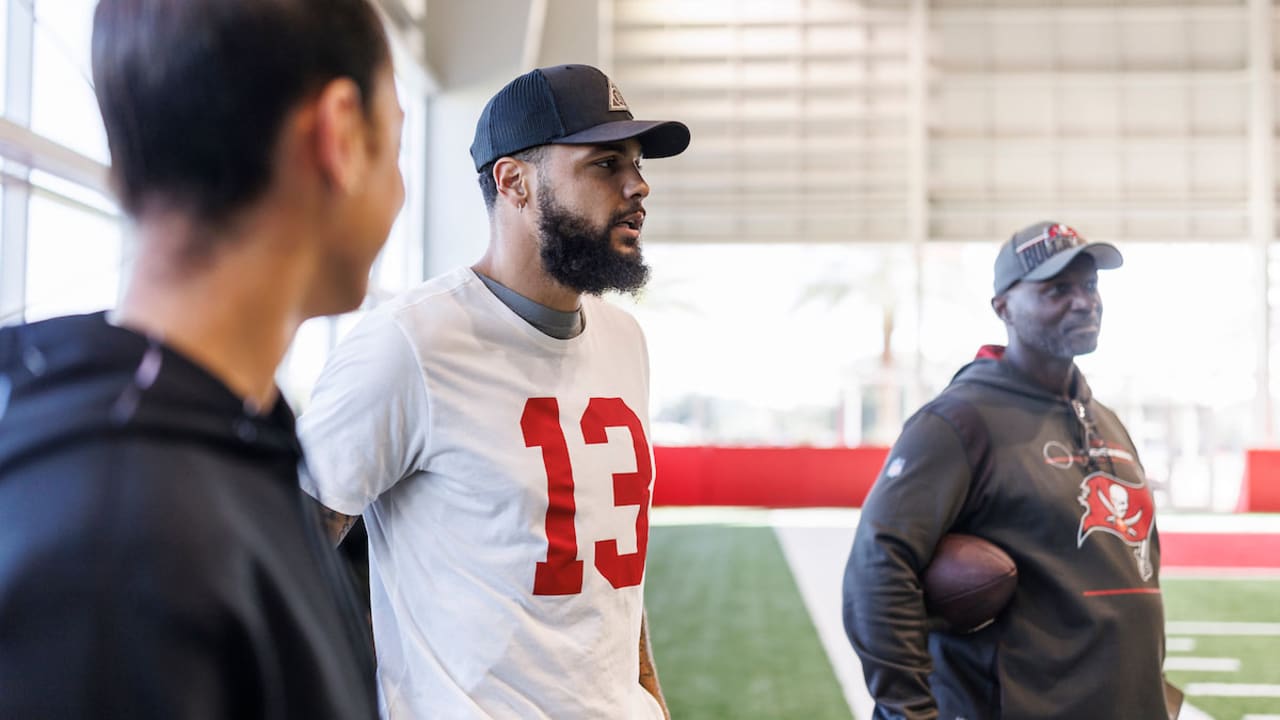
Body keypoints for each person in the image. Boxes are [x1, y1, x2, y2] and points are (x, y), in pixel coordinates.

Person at [0, 1, 404, 716]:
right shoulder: (124, 546)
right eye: (397, 141)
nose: (401, 191)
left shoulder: (216, 442)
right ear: (339, 133)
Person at [298, 64, 689, 719]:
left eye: (638, 162)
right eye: (604, 164)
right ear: (514, 183)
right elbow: (286, 555)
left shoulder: (625, 340)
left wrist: (649, 694)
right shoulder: (410, 344)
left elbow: (603, 560)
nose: (638, 185)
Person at [842, 221, 1169, 719]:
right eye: (1058, 289)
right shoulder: (958, 421)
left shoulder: (1106, 420)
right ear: (1003, 308)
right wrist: (905, 711)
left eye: (1090, 285)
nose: (1084, 301)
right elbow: (878, 566)